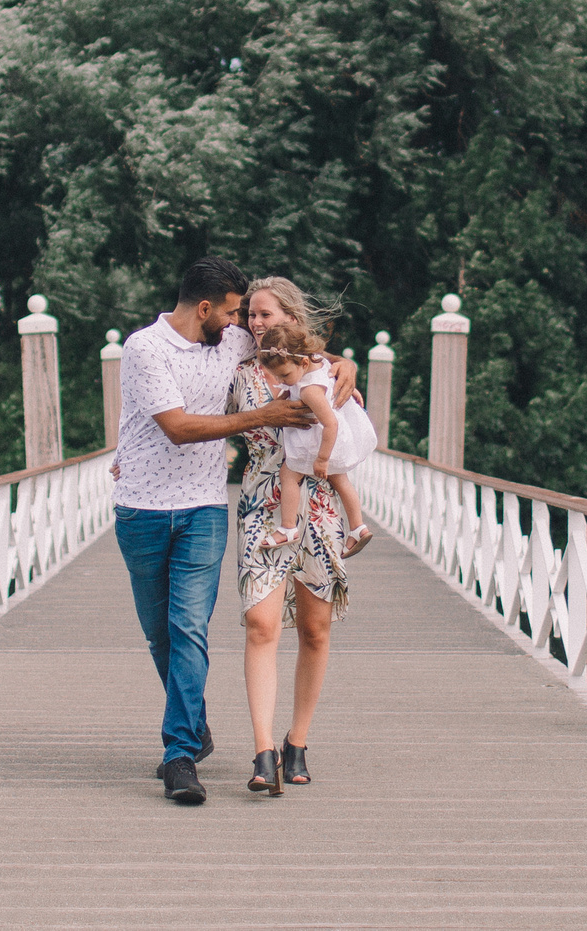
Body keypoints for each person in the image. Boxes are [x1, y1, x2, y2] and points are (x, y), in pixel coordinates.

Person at [113, 257, 314, 806]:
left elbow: (296, 350)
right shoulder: (144, 348)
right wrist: (262, 416)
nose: (239, 324)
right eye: (231, 313)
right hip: (141, 509)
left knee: (189, 629)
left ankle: (179, 754)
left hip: (204, 508)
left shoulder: (229, 341)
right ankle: (195, 724)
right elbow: (177, 428)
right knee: (161, 635)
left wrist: (340, 369)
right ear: (204, 308)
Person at [233, 276, 362, 791]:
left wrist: (342, 364)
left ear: (290, 316)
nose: (256, 323)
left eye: (265, 314)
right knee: (261, 623)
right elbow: (196, 419)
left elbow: (349, 429)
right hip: (262, 503)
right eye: (250, 315)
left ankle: (297, 741)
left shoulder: (327, 370)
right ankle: (263, 751)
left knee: (315, 628)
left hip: (321, 501)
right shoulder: (240, 371)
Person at [252, 318, 376, 558]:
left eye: (285, 374)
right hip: (337, 442)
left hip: (320, 442)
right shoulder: (318, 362)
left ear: (303, 362)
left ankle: (288, 527)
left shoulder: (309, 390)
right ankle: (358, 527)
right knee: (342, 481)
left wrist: (321, 459)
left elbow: (331, 422)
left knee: (288, 474)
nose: (280, 381)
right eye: (276, 376)